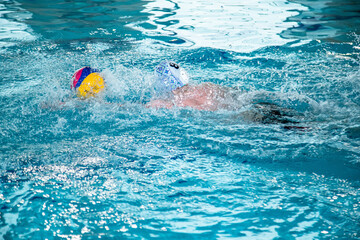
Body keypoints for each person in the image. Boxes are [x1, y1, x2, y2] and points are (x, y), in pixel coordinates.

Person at [146, 60, 305, 126]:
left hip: (247, 118)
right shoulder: (207, 86)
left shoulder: (172, 103)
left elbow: (137, 109)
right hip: (259, 106)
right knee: (302, 123)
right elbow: (245, 95)